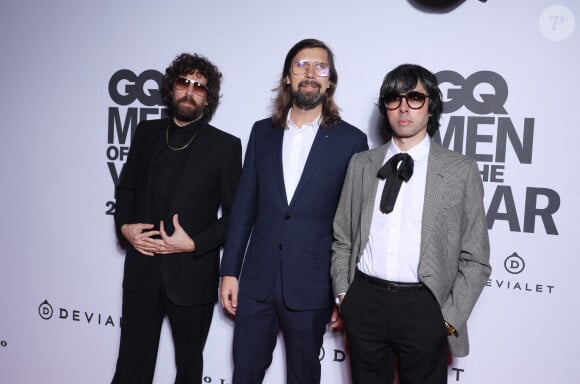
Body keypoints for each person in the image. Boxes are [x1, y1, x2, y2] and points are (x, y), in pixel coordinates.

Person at [219, 38, 368, 384]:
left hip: (313, 285)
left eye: (321, 66)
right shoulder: (262, 132)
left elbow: (355, 225)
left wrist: (345, 292)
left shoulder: (352, 141)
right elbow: (244, 207)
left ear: (330, 81)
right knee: (245, 372)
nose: (310, 73)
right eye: (301, 65)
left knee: (303, 376)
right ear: (287, 77)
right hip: (256, 282)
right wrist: (230, 271)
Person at [331, 64, 491, 384]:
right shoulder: (362, 164)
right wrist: (344, 295)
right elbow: (343, 237)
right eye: (394, 97)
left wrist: (447, 320)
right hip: (365, 302)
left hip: (425, 307)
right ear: (385, 107)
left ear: (431, 106)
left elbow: (476, 259)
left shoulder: (460, 170)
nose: (404, 106)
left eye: (415, 97)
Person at [111, 53, 242, 384]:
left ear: (208, 98)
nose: (190, 91)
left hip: (191, 276)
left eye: (200, 86)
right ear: (171, 88)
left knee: (188, 369)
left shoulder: (225, 147)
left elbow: (236, 217)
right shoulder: (146, 133)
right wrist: (125, 227)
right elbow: (125, 190)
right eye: (185, 82)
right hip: (142, 269)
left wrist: (194, 242)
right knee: (130, 365)